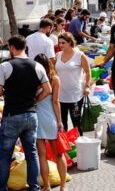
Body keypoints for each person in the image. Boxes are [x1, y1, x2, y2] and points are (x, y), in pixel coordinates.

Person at [0, 36, 51, 191]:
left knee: (5, 154)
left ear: (11, 47)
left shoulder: (5, 66)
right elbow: (48, 89)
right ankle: (34, 187)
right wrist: (35, 100)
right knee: (32, 153)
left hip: (12, 115)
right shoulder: (37, 66)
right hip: (31, 115)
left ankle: (2, 187)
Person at [33, 54, 67, 191]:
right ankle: (63, 186)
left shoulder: (33, 79)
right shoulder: (54, 79)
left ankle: (46, 186)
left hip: (36, 117)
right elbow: (55, 101)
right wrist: (60, 121)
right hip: (50, 118)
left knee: (42, 155)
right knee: (58, 154)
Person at [55, 33, 91, 135]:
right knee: (62, 123)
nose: (60, 45)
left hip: (75, 94)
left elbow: (88, 72)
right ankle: (66, 146)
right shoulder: (58, 55)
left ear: (70, 42)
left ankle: (80, 142)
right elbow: (53, 72)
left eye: (63, 43)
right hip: (60, 95)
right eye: (59, 43)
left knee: (76, 122)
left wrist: (87, 86)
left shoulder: (79, 55)